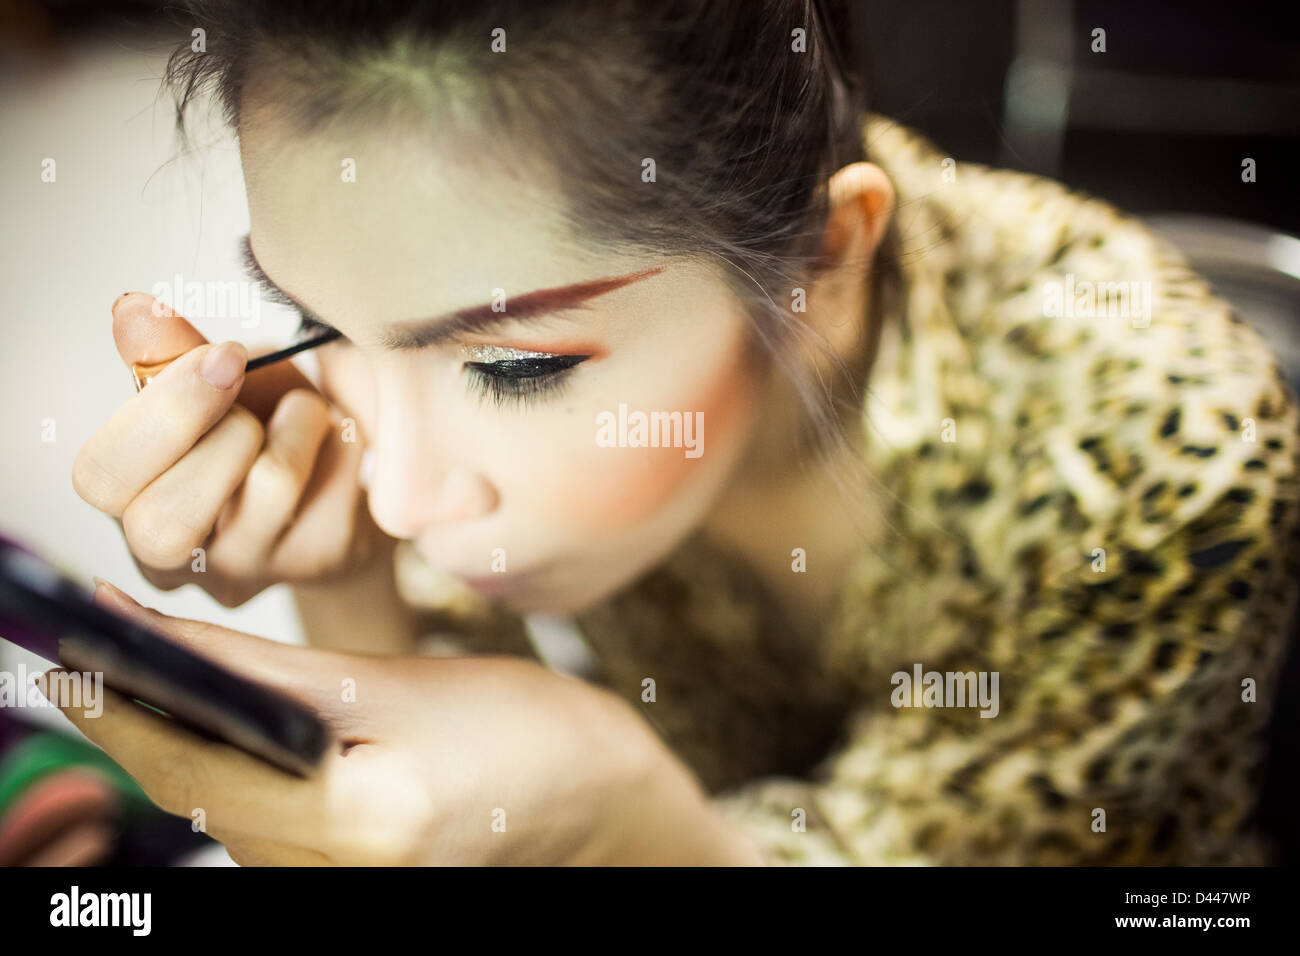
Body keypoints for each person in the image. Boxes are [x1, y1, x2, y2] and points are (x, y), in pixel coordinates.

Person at [60, 0, 1299, 864]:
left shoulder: (1159, 458)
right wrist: (348, 581)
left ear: (822, 264)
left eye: (513, 366)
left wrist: (637, 820)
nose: (398, 493)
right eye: (312, 320)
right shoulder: (444, 450)